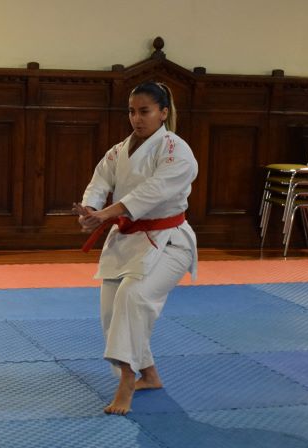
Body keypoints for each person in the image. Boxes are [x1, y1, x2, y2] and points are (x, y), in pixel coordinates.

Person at [73, 81, 198, 415]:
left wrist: (106, 214)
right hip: (126, 240)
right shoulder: (119, 151)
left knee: (133, 298)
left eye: (145, 111)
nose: (137, 118)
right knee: (112, 312)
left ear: (163, 113)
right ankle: (150, 375)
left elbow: (152, 192)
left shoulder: (176, 151)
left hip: (169, 241)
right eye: (132, 111)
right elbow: (99, 182)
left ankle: (127, 382)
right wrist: (90, 211)